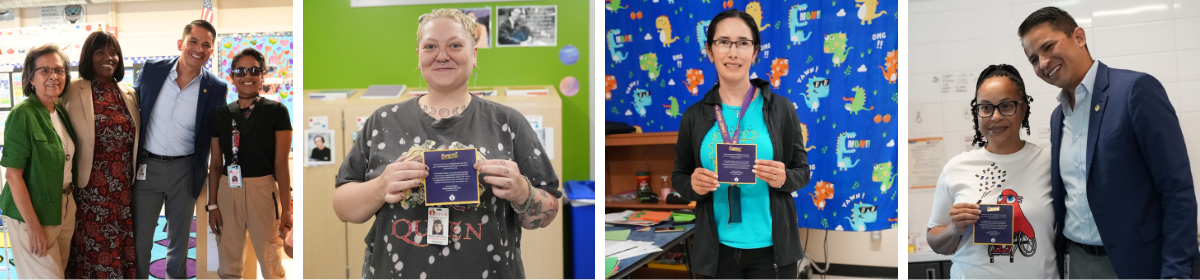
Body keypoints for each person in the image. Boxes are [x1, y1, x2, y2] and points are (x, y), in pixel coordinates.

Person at [331, 9, 560, 278]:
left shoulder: (508, 122)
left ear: (474, 55)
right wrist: (380, 187)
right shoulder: (383, 121)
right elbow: (342, 207)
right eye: (430, 46)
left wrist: (523, 192)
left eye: (455, 45)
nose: (442, 55)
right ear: (418, 57)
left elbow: (548, 210)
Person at [1017, 7, 1199, 278]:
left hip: (1135, 263)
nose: (1043, 63)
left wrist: (1177, 271)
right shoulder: (1058, 117)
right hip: (1076, 262)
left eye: (1049, 46)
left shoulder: (1135, 91)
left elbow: (1177, 190)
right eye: (1033, 59)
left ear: (1079, 37)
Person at [671, 9, 810, 278]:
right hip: (715, 251)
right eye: (723, 42)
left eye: (743, 43)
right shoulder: (693, 116)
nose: (732, 52)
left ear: (755, 52)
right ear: (710, 51)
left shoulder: (781, 109)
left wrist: (783, 178)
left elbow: (802, 172)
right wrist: (693, 185)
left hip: (774, 251)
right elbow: (679, 176)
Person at [925, 65, 1057, 278]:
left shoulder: (1048, 161)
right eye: (985, 108)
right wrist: (953, 229)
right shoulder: (957, 168)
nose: (995, 117)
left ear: (1023, 109)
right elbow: (936, 241)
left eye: (1006, 106)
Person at [132, 19, 229, 279]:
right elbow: (133, 110)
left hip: (186, 171)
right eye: (193, 42)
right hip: (147, 169)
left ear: (211, 50)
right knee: (141, 241)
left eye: (206, 45)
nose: (199, 48)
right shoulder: (152, 71)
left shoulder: (216, 88)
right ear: (181, 44)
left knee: (180, 243)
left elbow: (217, 136)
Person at [206, 47, 292, 279]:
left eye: (254, 70)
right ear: (232, 76)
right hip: (227, 191)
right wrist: (212, 205)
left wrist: (287, 209)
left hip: (263, 191)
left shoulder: (277, 111)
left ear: (262, 75)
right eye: (240, 71)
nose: (247, 76)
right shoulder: (220, 115)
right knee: (228, 262)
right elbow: (215, 164)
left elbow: (281, 165)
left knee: (270, 260)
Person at [61, 30, 140, 279]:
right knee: (91, 251)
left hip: (122, 192)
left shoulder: (128, 93)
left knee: (118, 248)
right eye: (100, 52)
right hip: (89, 191)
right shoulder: (71, 90)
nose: (109, 57)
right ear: (88, 56)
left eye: (114, 52)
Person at [0, 44, 78, 279]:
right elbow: (13, 176)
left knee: (59, 272)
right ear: (30, 78)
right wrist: (33, 227)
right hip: (32, 215)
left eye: (59, 69)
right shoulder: (22, 114)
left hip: (64, 208)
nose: (53, 76)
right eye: (44, 70)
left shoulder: (60, 112)